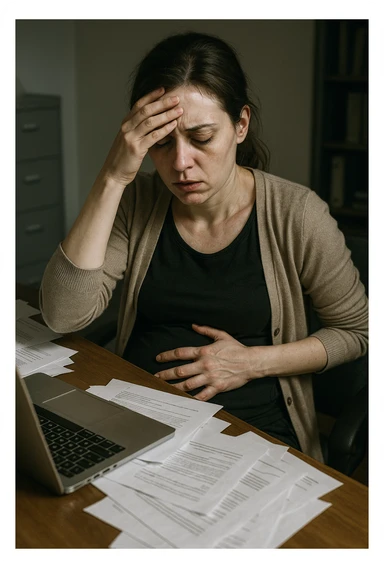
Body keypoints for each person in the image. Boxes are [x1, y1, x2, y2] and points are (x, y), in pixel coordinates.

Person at [39, 31, 368, 462]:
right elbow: (62, 315)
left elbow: (359, 332)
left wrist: (251, 362)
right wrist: (112, 178)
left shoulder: (297, 214)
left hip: (249, 430)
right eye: (160, 143)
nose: (179, 164)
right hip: (137, 415)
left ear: (240, 125)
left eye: (201, 137)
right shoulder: (137, 201)